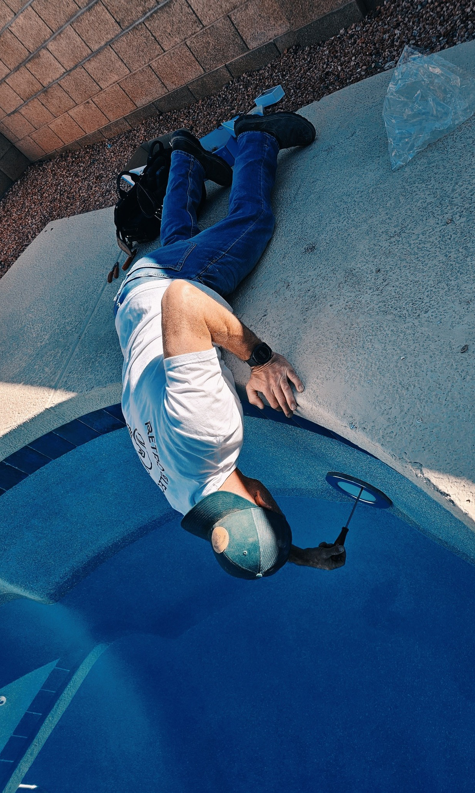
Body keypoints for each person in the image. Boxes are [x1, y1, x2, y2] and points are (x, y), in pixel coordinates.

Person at [113, 112, 346, 580]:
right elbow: (237, 531)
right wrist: (296, 554)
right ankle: (184, 158)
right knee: (179, 239)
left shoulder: (213, 432)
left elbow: (183, 301)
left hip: (162, 288)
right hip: (131, 314)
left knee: (252, 222)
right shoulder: (187, 502)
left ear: (265, 500)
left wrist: (261, 358)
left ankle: (255, 136)